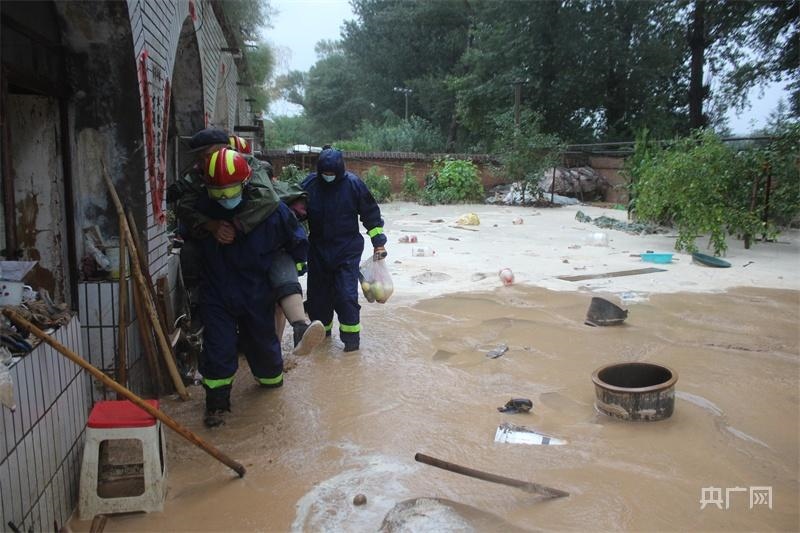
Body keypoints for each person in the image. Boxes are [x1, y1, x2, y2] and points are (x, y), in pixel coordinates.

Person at [175, 129, 324, 355]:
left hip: (258, 253)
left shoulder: (257, 180)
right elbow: (184, 209)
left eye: (208, 154)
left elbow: (279, 216)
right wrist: (210, 225)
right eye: (200, 157)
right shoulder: (198, 182)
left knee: (276, 290)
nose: (204, 161)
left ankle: (297, 330)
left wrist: (236, 225)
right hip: (225, 266)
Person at [193, 147, 309, 427]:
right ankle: (216, 407)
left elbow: (297, 241)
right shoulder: (202, 210)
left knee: (264, 348)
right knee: (218, 349)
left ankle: (272, 394)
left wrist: (292, 272)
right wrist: (209, 227)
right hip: (217, 292)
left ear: (245, 184)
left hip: (257, 291)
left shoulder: (272, 211)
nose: (225, 198)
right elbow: (187, 233)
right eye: (218, 192)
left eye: (231, 191)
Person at [302, 147, 387, 352]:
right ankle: (322, 341)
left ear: (340, 171)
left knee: (346, 296)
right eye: (325, 173)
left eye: (332, 173)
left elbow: (371, 215)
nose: (328, 176)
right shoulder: (309, 185)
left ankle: (351, 344)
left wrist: (379, 243)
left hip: (347, 250)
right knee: (318, 299)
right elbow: (293, 215)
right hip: (318, 250)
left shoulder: (353, 185)